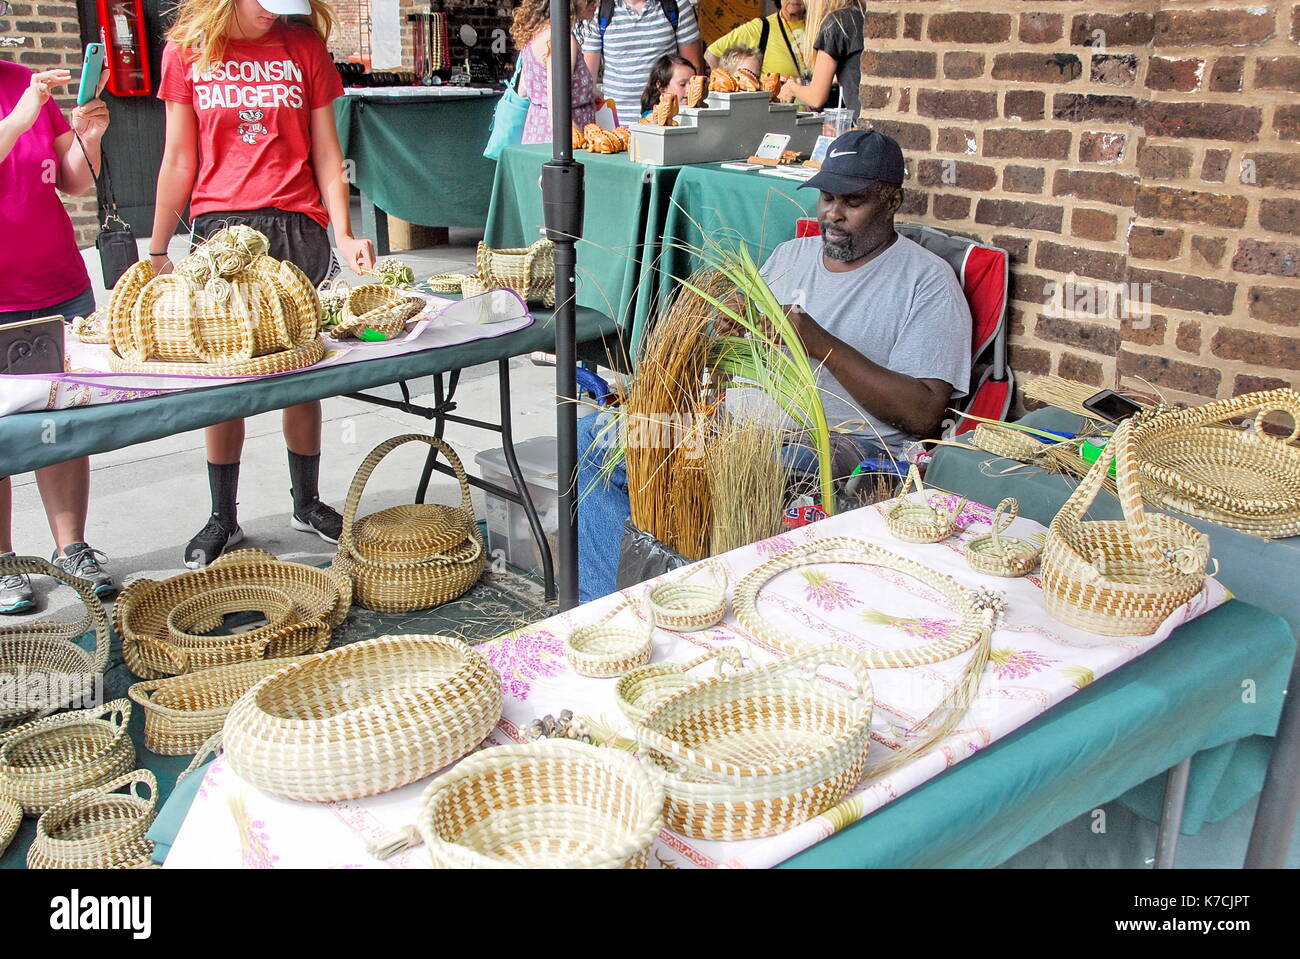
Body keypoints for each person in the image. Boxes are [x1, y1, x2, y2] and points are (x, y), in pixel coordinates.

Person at [150, 0, 375, 569]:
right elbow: (179, 156)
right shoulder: (188, 51)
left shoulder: (302, 47)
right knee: (224, 376)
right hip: (221, 227)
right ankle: (222, 516)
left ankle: (308, 501)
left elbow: (327, 150)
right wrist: (156, 248)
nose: (274, 15)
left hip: (297, 224)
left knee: (302, 372)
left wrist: (344, 231)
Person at [754, 129, 972, 470]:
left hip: (839, 442)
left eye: (852, 201)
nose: (833, 214)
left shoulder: (927, 281)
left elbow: (923, 415)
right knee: (649, 436)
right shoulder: (789, 255)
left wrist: (818, 343)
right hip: (746, 425)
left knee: (773, 466)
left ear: (893, 202)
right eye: (827, 198)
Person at [0, 63, 117, 612]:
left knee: (59, 422)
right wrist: (21, 118)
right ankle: (3, 562)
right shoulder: (25, 99)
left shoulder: (23, 80)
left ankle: (72, 548)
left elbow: (70, 181)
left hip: (58, 287)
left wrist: (87, 140)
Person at [577, 0, 702, 122]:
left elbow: (694, 72)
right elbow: (588, 80)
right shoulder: (599, 9)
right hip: (616, 125)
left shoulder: (677, 5)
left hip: (665, 121)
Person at [515, 0, 600, 144]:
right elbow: (558, 113)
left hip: (535, 134)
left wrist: (586, 94)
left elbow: (523, 91)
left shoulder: (535, 32)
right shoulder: (562, 39)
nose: (597, 3)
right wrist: (581, 146)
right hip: (560, 145)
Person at [779, 0, 865, 116]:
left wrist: (791, 88)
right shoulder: (861, 15)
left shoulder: (836, 22)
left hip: (865, 124)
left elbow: (816, 97)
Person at [705, 0, 807, 78]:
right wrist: (728, 86)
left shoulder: (819, 26)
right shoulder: (761, 27)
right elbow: (712, 54)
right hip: (774, 105)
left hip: (815, 105)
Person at [640, 53, 694, 118]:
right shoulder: (652, 117)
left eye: (693, 84)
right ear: (662, 87)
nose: (689, 89)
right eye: (682, 84)